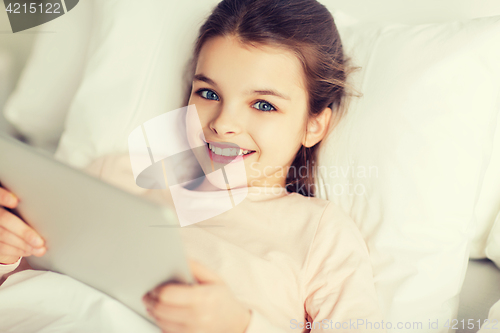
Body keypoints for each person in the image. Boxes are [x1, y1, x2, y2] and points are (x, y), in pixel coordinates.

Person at [0, 0, 386, 332]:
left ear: (314, 124)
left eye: (263, 104)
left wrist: (238, 324)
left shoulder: (320, 233)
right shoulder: (113, 176)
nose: (222, 123)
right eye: (208, 93)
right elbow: (31, 286)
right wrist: (6, 254)